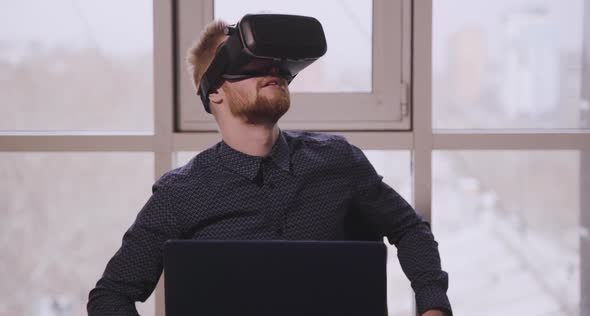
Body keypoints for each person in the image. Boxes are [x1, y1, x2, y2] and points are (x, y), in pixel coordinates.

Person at [87, 18, 452, 316]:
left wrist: (433, 303)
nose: (273, 71)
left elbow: (408, 228)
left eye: (277, 64)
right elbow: (110, 297)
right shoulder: (180, 193)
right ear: (214, 91)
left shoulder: (339, 160)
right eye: (252, 64)